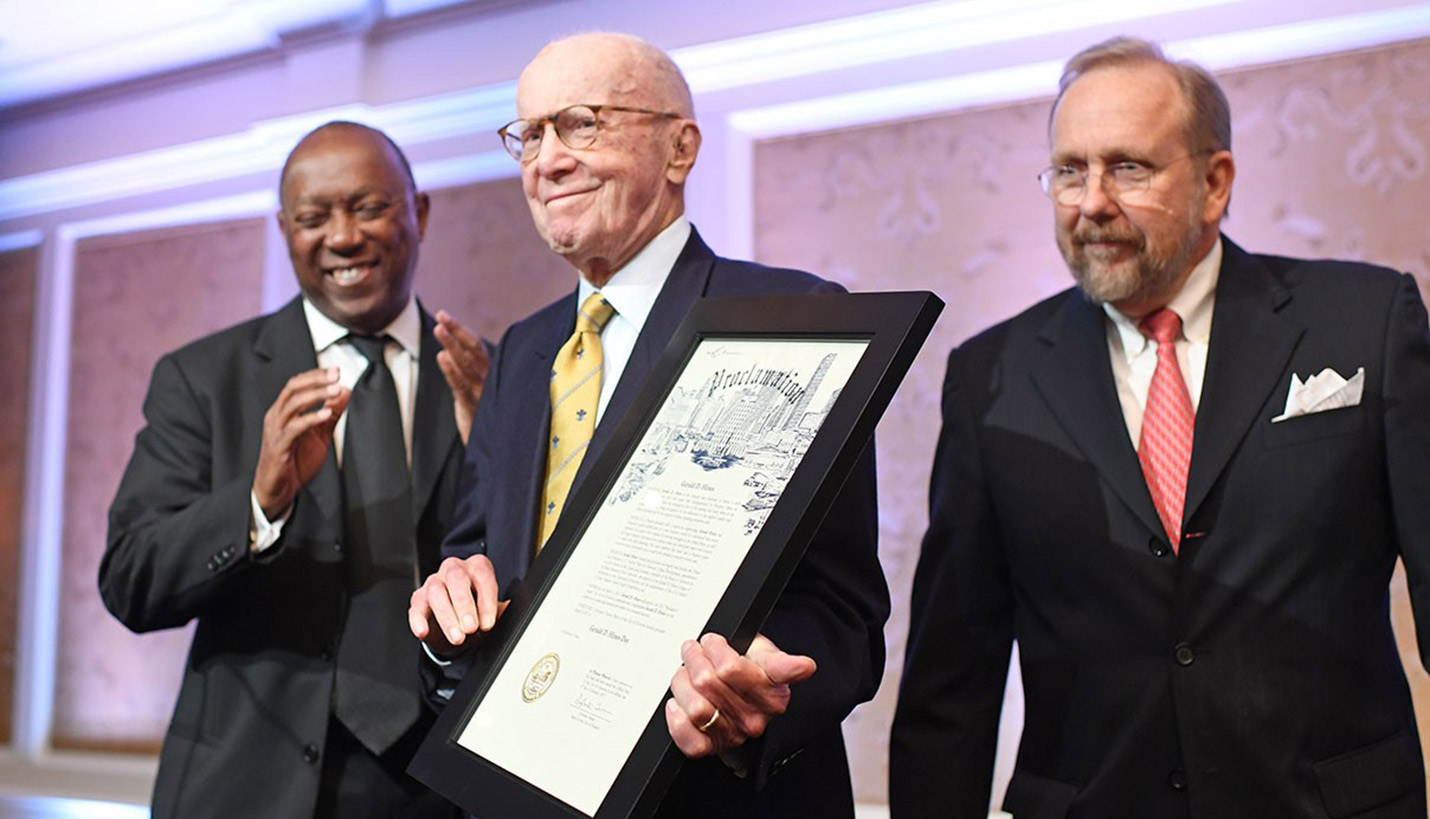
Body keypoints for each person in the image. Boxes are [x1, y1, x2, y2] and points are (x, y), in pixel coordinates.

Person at [890, 35, 1430, 819]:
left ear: (1215, 182)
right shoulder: (991, 376)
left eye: (1128, 167)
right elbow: (953, 677)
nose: (1091, 201)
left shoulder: (1365, 322)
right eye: (1068, 170)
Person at [407, 32, 887, 818]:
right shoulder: (524, 353)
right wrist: (448, 618)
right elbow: (474, 558)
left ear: (680, 149)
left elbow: (842, 610)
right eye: (529, 134)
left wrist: (755, 690)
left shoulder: (787, 322)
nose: (546, 160)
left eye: (581, 123)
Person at [100, 121, 489, 819]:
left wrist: (493, 449)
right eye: (313, 218)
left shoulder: (492, 377)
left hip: (436, 789)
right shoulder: (202, 377)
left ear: (419, 212)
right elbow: (131, 580)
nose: (342, 236)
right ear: (286, 230)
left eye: (368, 207)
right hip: (243, 783)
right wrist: (258, 501)